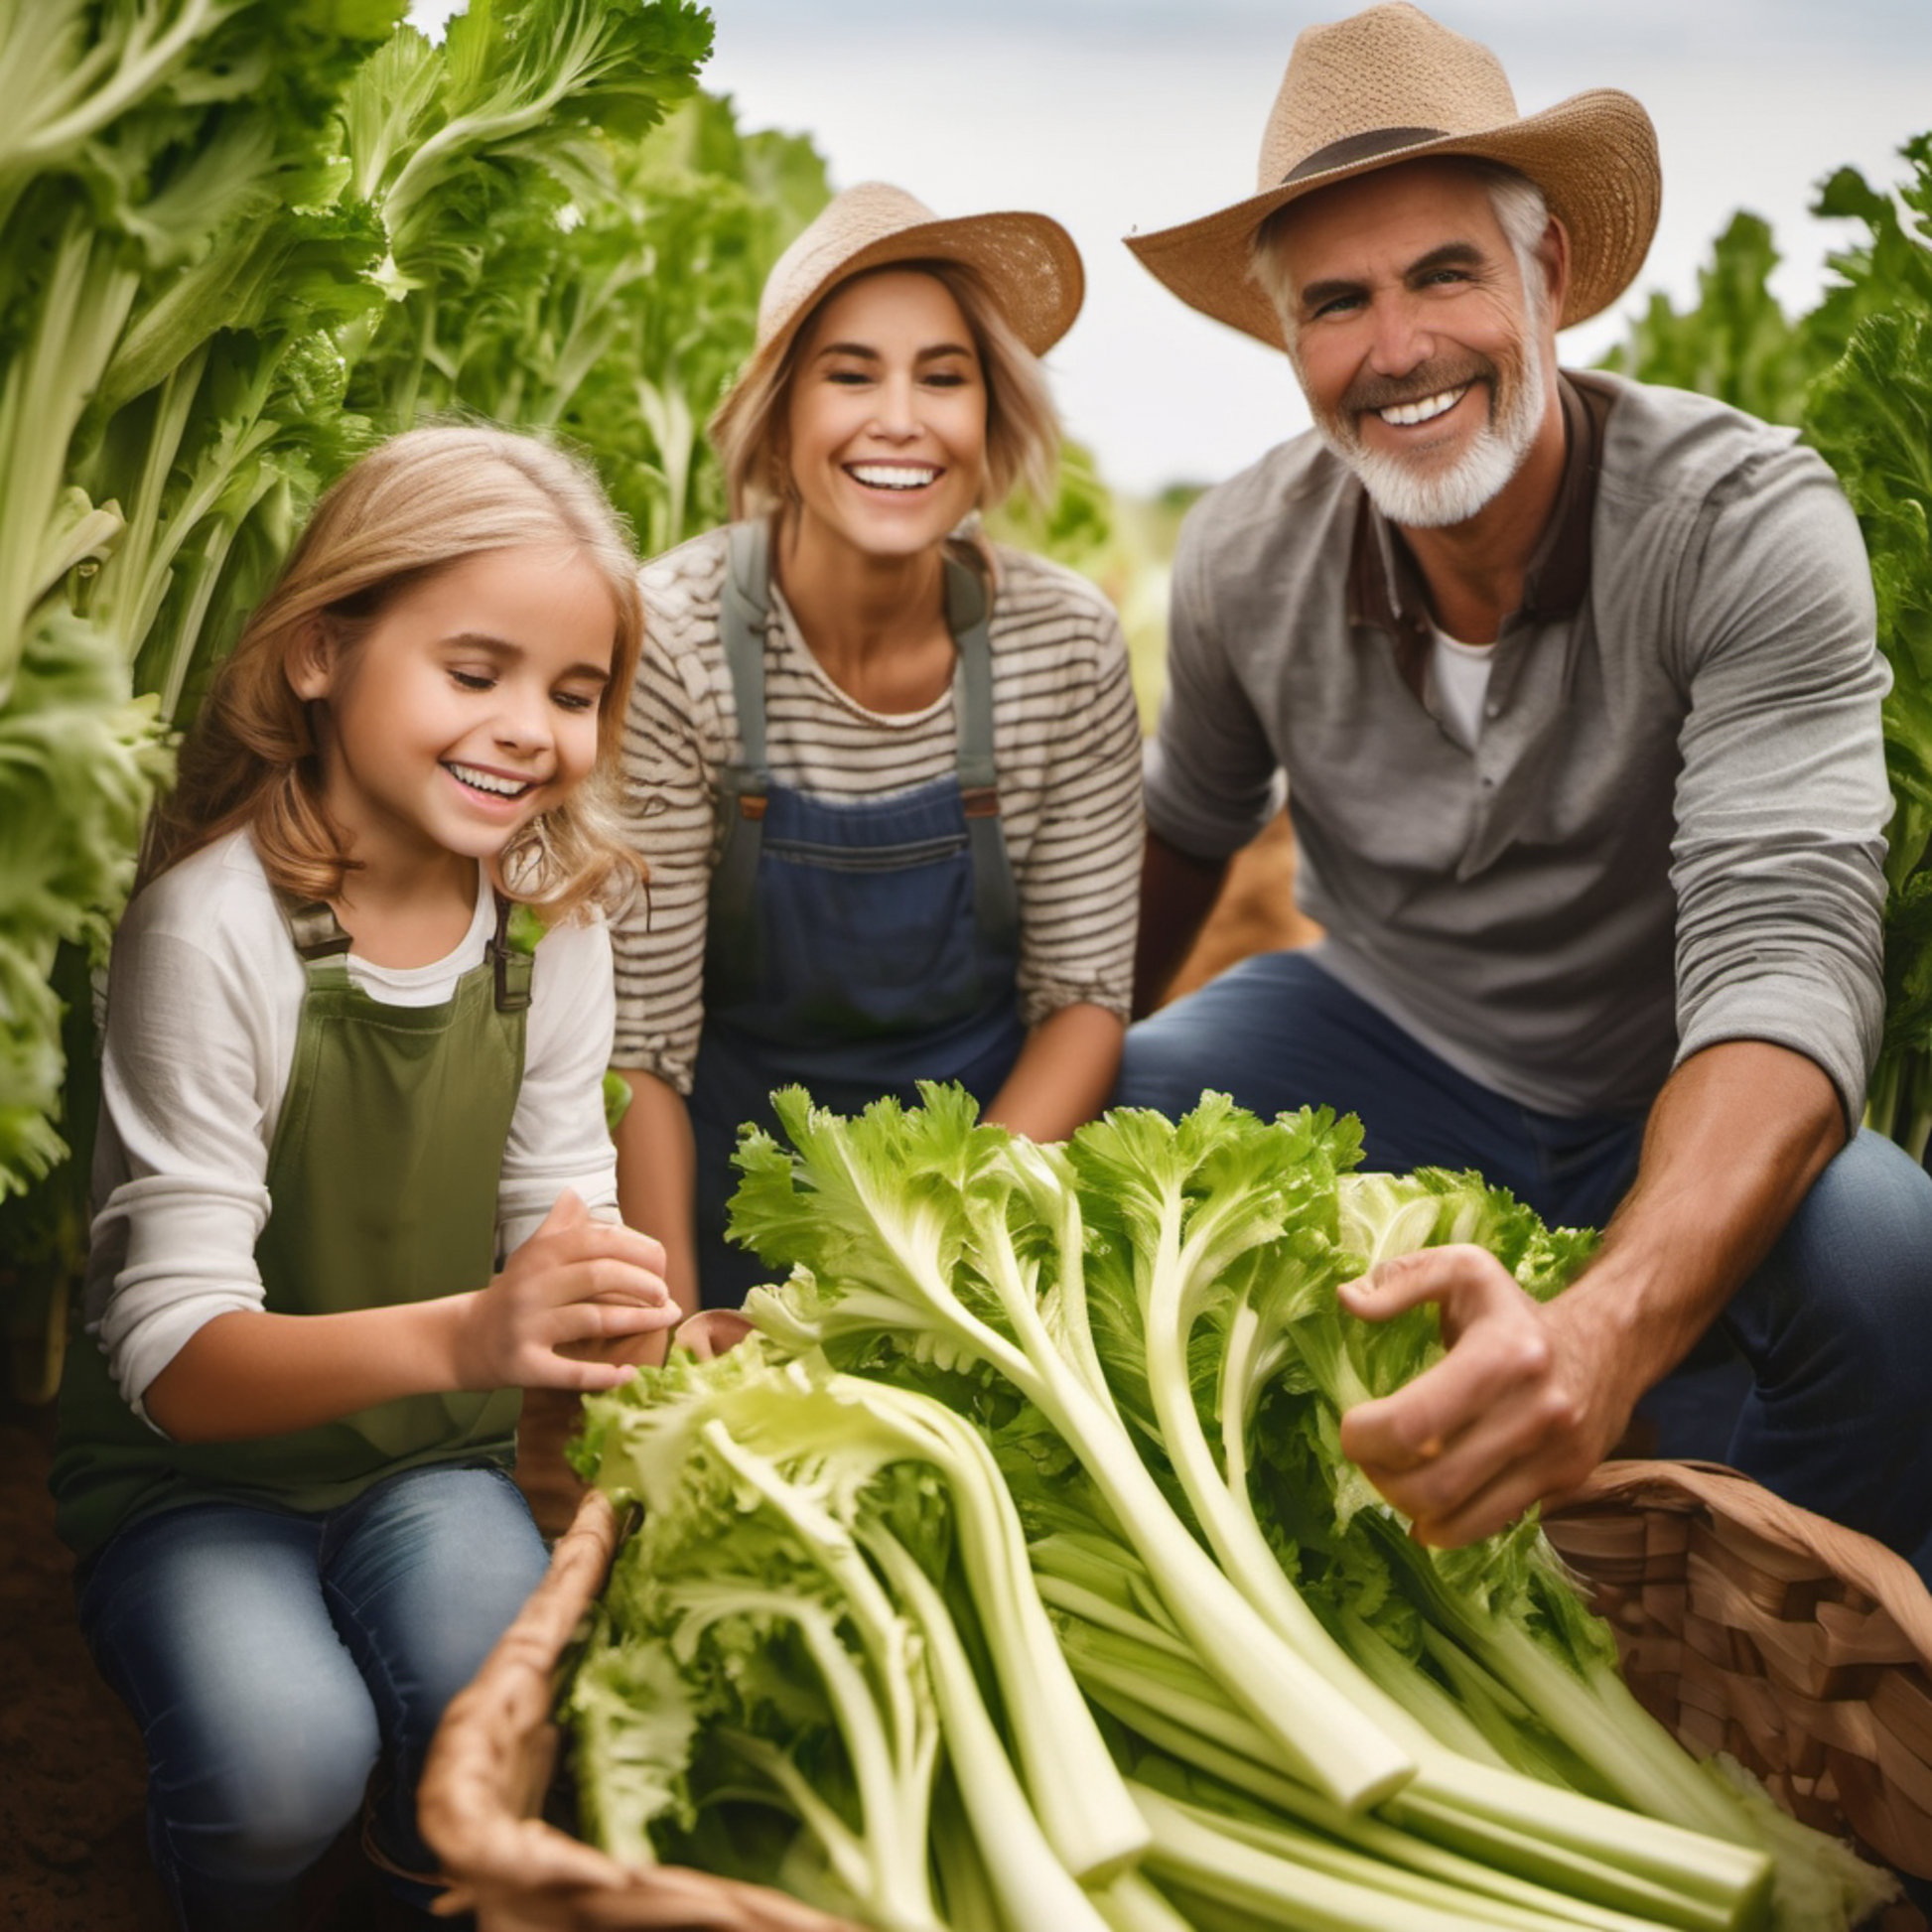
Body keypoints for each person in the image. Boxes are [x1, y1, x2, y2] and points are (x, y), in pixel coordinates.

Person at [1116, 1, 1932, 1594]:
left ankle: (1764, 1642)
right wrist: (1015, 1121)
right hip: (1395, 1040)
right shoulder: (1241, 551)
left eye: (1442, 273)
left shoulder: (1741, 522)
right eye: (1336, 302)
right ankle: (1288, 1551)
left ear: (1546, 273)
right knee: (1133, 1100)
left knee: (1886, 1254)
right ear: (1288, 343)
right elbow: (1178, 843)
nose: (1396, 347)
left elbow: (1782, 957)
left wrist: (1607, 1325)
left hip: (1668, 1073)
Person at [49, 424, 680, 1930]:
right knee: (281, 1759)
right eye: (476, 673)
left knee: (493, 1703)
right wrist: (474, 1335)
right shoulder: (214, 933)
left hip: (426, 1464)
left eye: (573, 691)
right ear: (324, 651)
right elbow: (181, 1368)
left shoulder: (549, 929)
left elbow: (558, 1205)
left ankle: (416, 1884)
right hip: (194, 1486)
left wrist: (632, 1330)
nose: (528, 727)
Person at [610, 183, 1144, 1311]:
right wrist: (664, 1326)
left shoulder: (1062, 642)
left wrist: (927, 1265)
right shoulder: (671, 638)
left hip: (979, 1214)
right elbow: (639, 1051)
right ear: (780, 412)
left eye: (942, 377)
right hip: (713, 1211)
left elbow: (1082, 1002)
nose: (898, 418)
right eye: (849, 373)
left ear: (991, 418)